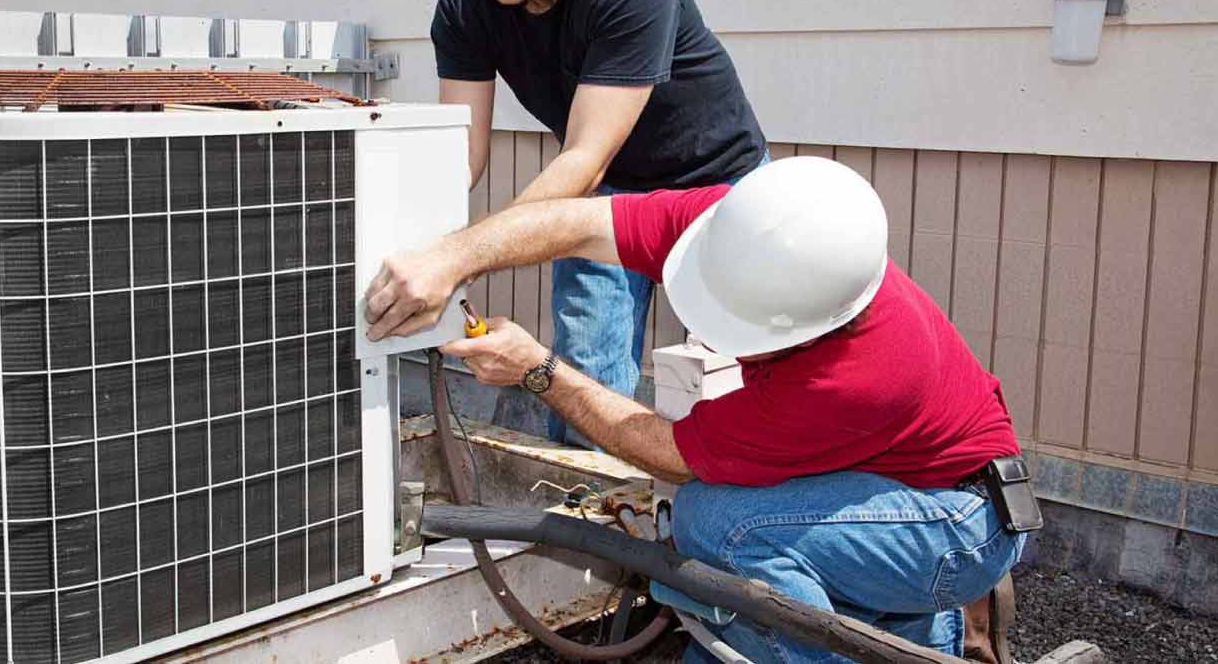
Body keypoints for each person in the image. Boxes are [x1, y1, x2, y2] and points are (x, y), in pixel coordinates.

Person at [363, 157, 1028, 664]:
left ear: (806, 327)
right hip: (902, 482)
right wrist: (452, 256)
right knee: (732, 581)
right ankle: (915, 631)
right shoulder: (746, 227)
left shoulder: (853, 375)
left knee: (720, 524)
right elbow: (579, 221)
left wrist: (538, 370)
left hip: (959, 522)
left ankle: (900, 617)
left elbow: (672, 454)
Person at [364, 0, 769, 446]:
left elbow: (585, 157)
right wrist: (413, 246)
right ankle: (592, 520)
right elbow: (464, 155)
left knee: (744, 376)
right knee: (584, 372)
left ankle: (734, 516)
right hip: (607, 198)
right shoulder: (465, 5)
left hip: (717, 184)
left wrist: (458, 259)